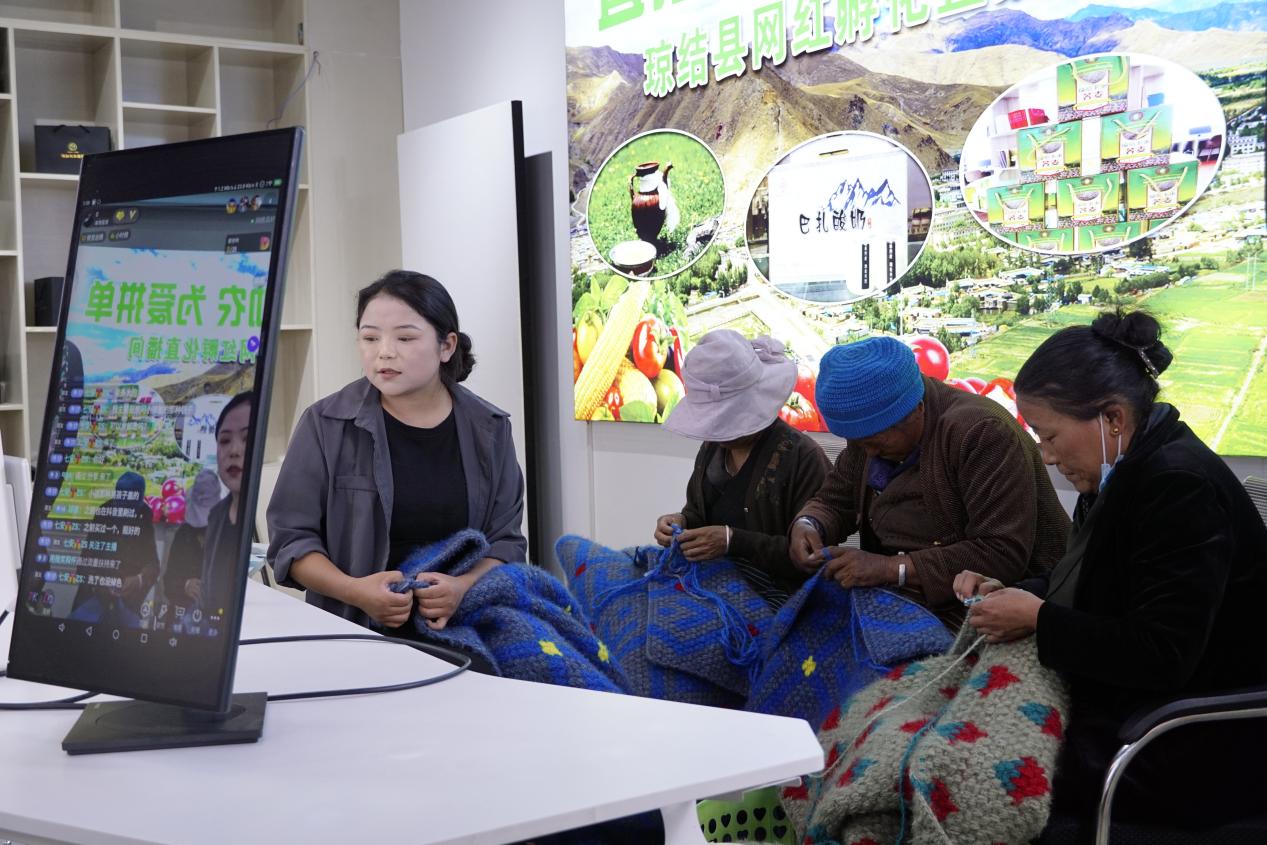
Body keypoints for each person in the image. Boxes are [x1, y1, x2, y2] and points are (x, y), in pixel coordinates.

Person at [958, 310, 1267, 826]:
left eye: (1049, 436)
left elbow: (1162, 655)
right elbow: (1098, 583)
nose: (1046, 457)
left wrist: (1038, 618)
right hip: (1129, 709)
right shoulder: (1119, 469)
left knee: (982, 773)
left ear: (1112, 419)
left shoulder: (1178, 487)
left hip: (1183, 739)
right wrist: (1012, 594)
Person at [267, 271, 526, 651]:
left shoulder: (489, 428)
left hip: (464, 637)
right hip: (353, 638)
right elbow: (291, 542)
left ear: (446, 346)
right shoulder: (326, 424)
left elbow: (506, 542)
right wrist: (356, 591)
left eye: (405, 338)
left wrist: (461, 587)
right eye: (370, 338)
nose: (384, 352)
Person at [789, 336, 1068, 628]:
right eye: (858, 443)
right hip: (910, 600)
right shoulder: (870, 434)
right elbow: (836, 498)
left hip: (1006, 605)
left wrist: (891, 569)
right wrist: (810, 523)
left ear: (917, 410)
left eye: (875, 442)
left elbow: (1001, 552)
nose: (867, 453)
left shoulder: (981, 432)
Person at [656, 330, 830, 606]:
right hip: (712, 589)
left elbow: (810, 557)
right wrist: (681, 522)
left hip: (783, 601)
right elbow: (698, 512)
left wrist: (732, 541)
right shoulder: (713, 449)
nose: (717, 433)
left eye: (725, 421)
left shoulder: (803, 458)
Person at [68, 470, 159, 626]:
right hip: (94, 596)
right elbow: (83, 564)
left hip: (128, 601)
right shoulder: (103, 513)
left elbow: (153, 565)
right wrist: (102, 584)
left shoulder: (144, 514)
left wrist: (139, 580)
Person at [193, 392, 253, 619]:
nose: (234, 451)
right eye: (225, 441)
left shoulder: (269, 510)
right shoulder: (216, 514)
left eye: (247, 438)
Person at [161, 467, 221, 606]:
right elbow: (168, 580)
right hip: (184, 608)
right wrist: (185, 585)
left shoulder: (225, 534)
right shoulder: (183, 533)